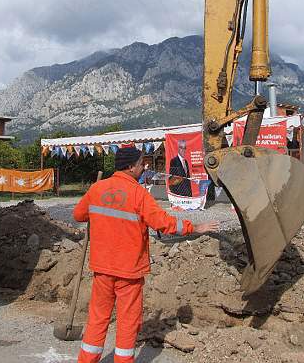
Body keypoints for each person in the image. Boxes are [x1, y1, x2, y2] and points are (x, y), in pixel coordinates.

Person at [73, 147, 218, 363]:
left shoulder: (98, 188)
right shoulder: (138, 194)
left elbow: (79, 215)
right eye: (142, 163)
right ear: (131, 167)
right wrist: (195, 228)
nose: (145, 167)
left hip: (102, 268)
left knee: (97, 318)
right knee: (128, 321)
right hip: (129, 271)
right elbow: (164, 222)